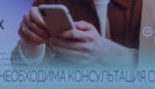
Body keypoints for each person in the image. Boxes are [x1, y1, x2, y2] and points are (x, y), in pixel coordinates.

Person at [14, 1, 144, 67]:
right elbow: (23, 70)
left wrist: (105, 52)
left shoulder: (151, 5)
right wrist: (30, 45)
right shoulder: (52, 2)